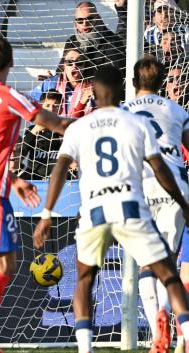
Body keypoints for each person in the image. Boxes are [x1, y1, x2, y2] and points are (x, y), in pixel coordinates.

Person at [33, 65, 189, 353]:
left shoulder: (80, 126)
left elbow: (59, 169)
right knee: (167, 272)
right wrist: (183, 202)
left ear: (94, 93)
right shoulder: (139, 121)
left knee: (84, 279)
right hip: (132, 203)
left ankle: (85, 349)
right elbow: (161, 169)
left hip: (95, 209)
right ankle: (184, 334)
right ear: (121, 89)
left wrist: (46, 214)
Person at [0, 37, 72, 353]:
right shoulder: (9, 96)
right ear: (11, 63)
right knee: (5, 264)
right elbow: (55, 123)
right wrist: (95, 125)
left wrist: (15, 180)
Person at [122, 57, 189, 353]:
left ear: (134, 82)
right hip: (174, 187)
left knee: (145, 264)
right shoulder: (177, 110)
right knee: (168, 264)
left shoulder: (122, 112)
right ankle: (164, 312)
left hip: (139, 188)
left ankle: (156, 336)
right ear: (162, 83)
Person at [13, 90, 74, 180]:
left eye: (56, 106)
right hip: (35, 178)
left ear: (61, 109)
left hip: (58, 178)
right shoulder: (31, 130)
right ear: (41, 108)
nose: (51, 109)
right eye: (47, 105)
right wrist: (34, 131)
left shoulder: (66, 131)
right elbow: (20, 154)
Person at [30, 45, 95, 118]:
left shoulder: (92, 87)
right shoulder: (51, 83)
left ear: (85, 66)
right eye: (69, 62)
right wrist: (39, 124)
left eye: (79, 62)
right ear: (64, 65)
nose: (74, 66)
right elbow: (30, 103)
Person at [61, 2, 125, 72]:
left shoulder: (112, 41)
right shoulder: (71, 42)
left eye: (90, 19)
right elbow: (61, 70)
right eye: (80, 20)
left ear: (97, 18)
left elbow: (113, 75)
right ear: (75, 23)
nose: (85, 24)